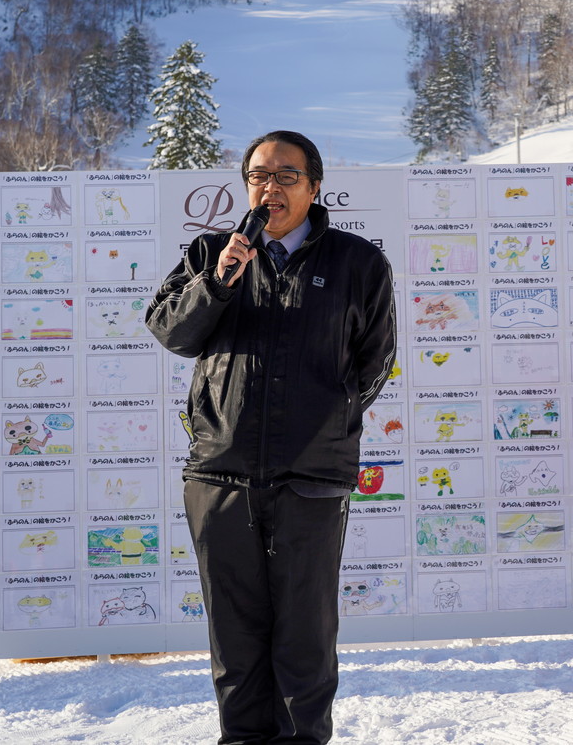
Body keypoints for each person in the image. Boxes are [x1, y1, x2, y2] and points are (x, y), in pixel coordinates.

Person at [147, 130, 396, 743]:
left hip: (311, 479)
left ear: (314, 187)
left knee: (306, 637)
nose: (270, 187)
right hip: (218, 475)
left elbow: (373, 363)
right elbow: (173, 334)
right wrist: (221, 280)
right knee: (234, 639)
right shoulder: (212, 253)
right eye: (259, 175)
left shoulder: (358, 262)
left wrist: (326, 424)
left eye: (287, 176)